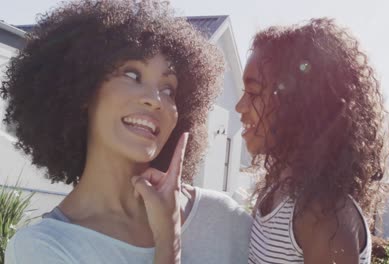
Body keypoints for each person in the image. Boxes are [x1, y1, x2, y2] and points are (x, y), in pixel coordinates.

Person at [2, 1, 251, 263]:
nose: (155, 100)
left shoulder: (223, 218)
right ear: (83, 90)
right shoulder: (42, 248)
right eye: (132, 75)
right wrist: (168, 242)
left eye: (169, 89)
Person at [236, 18, 389, 264]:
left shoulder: (323, 215)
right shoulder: (275, 192)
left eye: (254, 93)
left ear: (298, 103)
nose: (240, 106)